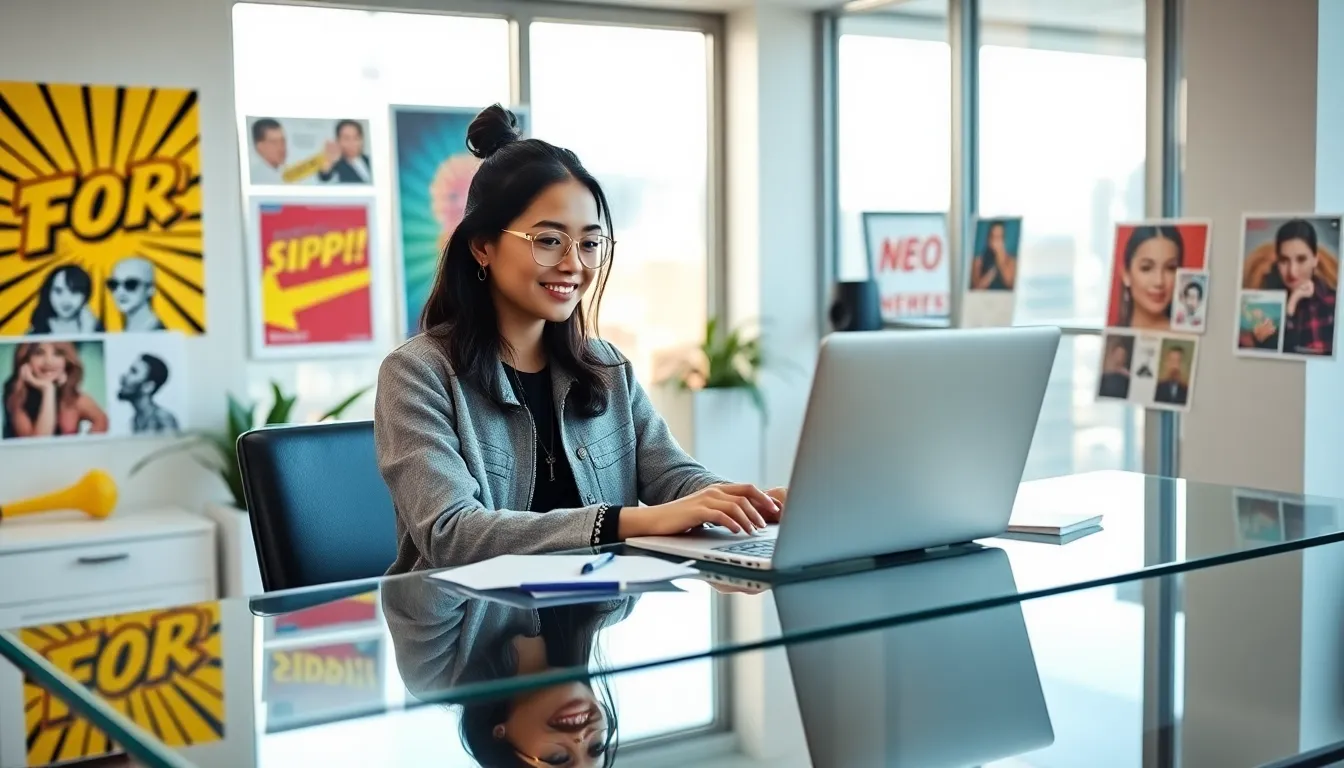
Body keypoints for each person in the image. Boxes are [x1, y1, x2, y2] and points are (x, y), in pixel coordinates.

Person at [374, 104, 786, 574]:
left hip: (591, 625)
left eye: (590, 243)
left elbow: (672, 477)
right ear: (482, 246)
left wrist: (746, 504)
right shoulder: (417, 374)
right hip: (466, 633)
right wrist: (626, 522)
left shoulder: (606, 367)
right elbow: (452, 533)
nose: (573, 264)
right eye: (549, 240)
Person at [382, 575, 632, 766]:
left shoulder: (434, 673)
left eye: (557, 759)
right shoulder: (616, 600)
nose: (580, 739)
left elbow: (448, 564)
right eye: (596, 747)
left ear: (500, 736)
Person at [1259, 218, 1337, 355]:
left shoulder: (1333, 304)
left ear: (1315, 260)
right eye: (1284, 260)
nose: (1292, 272)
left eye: (1301, 259)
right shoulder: (1266, 304)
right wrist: (1292, 304)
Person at [2, 341, 108, 439]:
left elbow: (102, 420)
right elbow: (38, 446)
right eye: (39, 353)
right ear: (26, 360)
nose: (48, 362)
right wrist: (48, 389)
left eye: (57, 354)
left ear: (66, 360)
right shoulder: (15, 393)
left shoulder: (72, 396)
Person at [1115, 225, 1184, 330]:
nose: (1159, 281)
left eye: (1170, 268)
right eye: (1146, 268)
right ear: (1126, 274)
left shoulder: (1190, 337)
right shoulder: (1114, 341)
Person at [27, 264, 104, 334]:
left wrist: (88, 331)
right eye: (58, 291)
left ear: (85, 295)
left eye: (74, 292)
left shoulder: (95, 327)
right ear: (48, 293)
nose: (66, 299)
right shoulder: (35, 332)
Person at [116, 353, 179, 435]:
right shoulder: (136, 420)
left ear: (148, 387)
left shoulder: (163, 419)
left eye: (134, 372)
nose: (124, 377)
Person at [107, 256, 166, 331]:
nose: (120, 291)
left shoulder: (158, 335)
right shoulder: (130, 330)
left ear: (150, 289)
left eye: (131, 284)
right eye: (114, 284)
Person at [318, 120, 373, 184]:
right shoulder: (336, 165)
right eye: (347, 138)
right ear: (338, 141)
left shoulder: (370, 160)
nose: (352, 143)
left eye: (356, 138)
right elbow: (324, 176)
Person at [969, 220, 1016, 291]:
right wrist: (991, 274)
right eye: (993, 237)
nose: (995, 241)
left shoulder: (1011, 260)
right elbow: (976, 289)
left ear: (1004, 240)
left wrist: (999, 256)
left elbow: (1010, 283)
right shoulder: (978, 260)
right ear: (988, 239)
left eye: (999, 237)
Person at [250, 118, 288, 185]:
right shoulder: (255, 178)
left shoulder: (286, 172)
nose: (281, 147)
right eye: (274, 142)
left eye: (282, 141)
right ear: (260, 147)